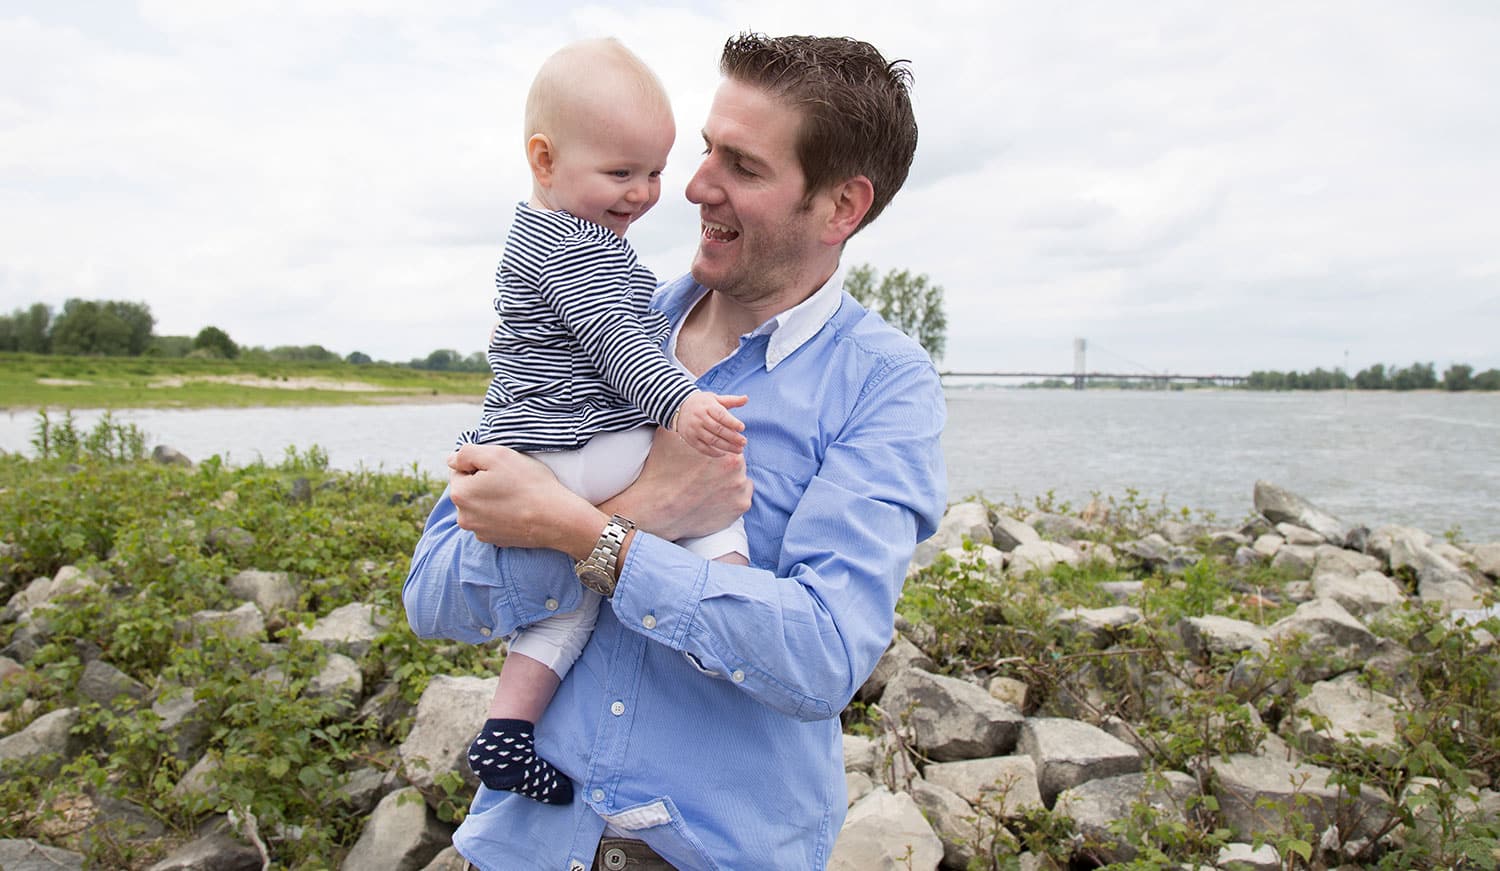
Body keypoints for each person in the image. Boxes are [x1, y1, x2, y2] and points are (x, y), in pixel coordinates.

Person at [404, 31, 947, 870]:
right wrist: (640, 514)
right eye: (704, 149)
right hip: (520, 845)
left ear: (843, 207)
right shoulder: (590, 320)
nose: (693, 186)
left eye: (744, 165)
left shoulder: (884, 385)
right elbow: (432, 596)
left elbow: (823, 658)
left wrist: (592, 538)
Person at [454, 38, 751, 807]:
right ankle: (730, 605)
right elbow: (619, 347)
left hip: (535, 454)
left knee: (577, 598)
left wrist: (586, 528)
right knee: (712, 496)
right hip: (581, 445)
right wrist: (681, 402)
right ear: (544, 160)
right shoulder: (578, 248)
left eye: (654, 171)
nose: (646, 193)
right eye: (621, 173)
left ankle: (509, 728)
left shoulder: (543, 234)